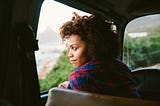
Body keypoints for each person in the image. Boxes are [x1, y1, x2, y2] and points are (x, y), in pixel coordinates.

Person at [58, 12, 140, 98]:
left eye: (74, 48)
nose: (69, 55)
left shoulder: (79, 77)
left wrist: (71, 85)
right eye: (68, 48)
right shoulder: (122, 67)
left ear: (92, 46)